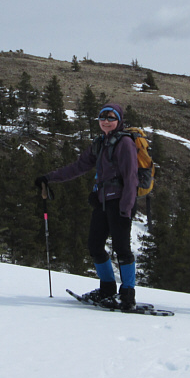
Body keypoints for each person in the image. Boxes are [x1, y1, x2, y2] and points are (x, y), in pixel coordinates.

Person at [35, 103, 138, 311]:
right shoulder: (100, 143)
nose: (106, 121)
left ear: (119, 120)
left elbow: (131, 177)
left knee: (122, 249)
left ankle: (127, 295)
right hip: (101, 202)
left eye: (111, 117)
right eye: (102, 117)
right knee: (94, 245)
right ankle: (107, 288)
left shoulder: (125, 143)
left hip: (120, 203)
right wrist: (49, 178)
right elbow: (78, 167)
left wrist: (126, 208)